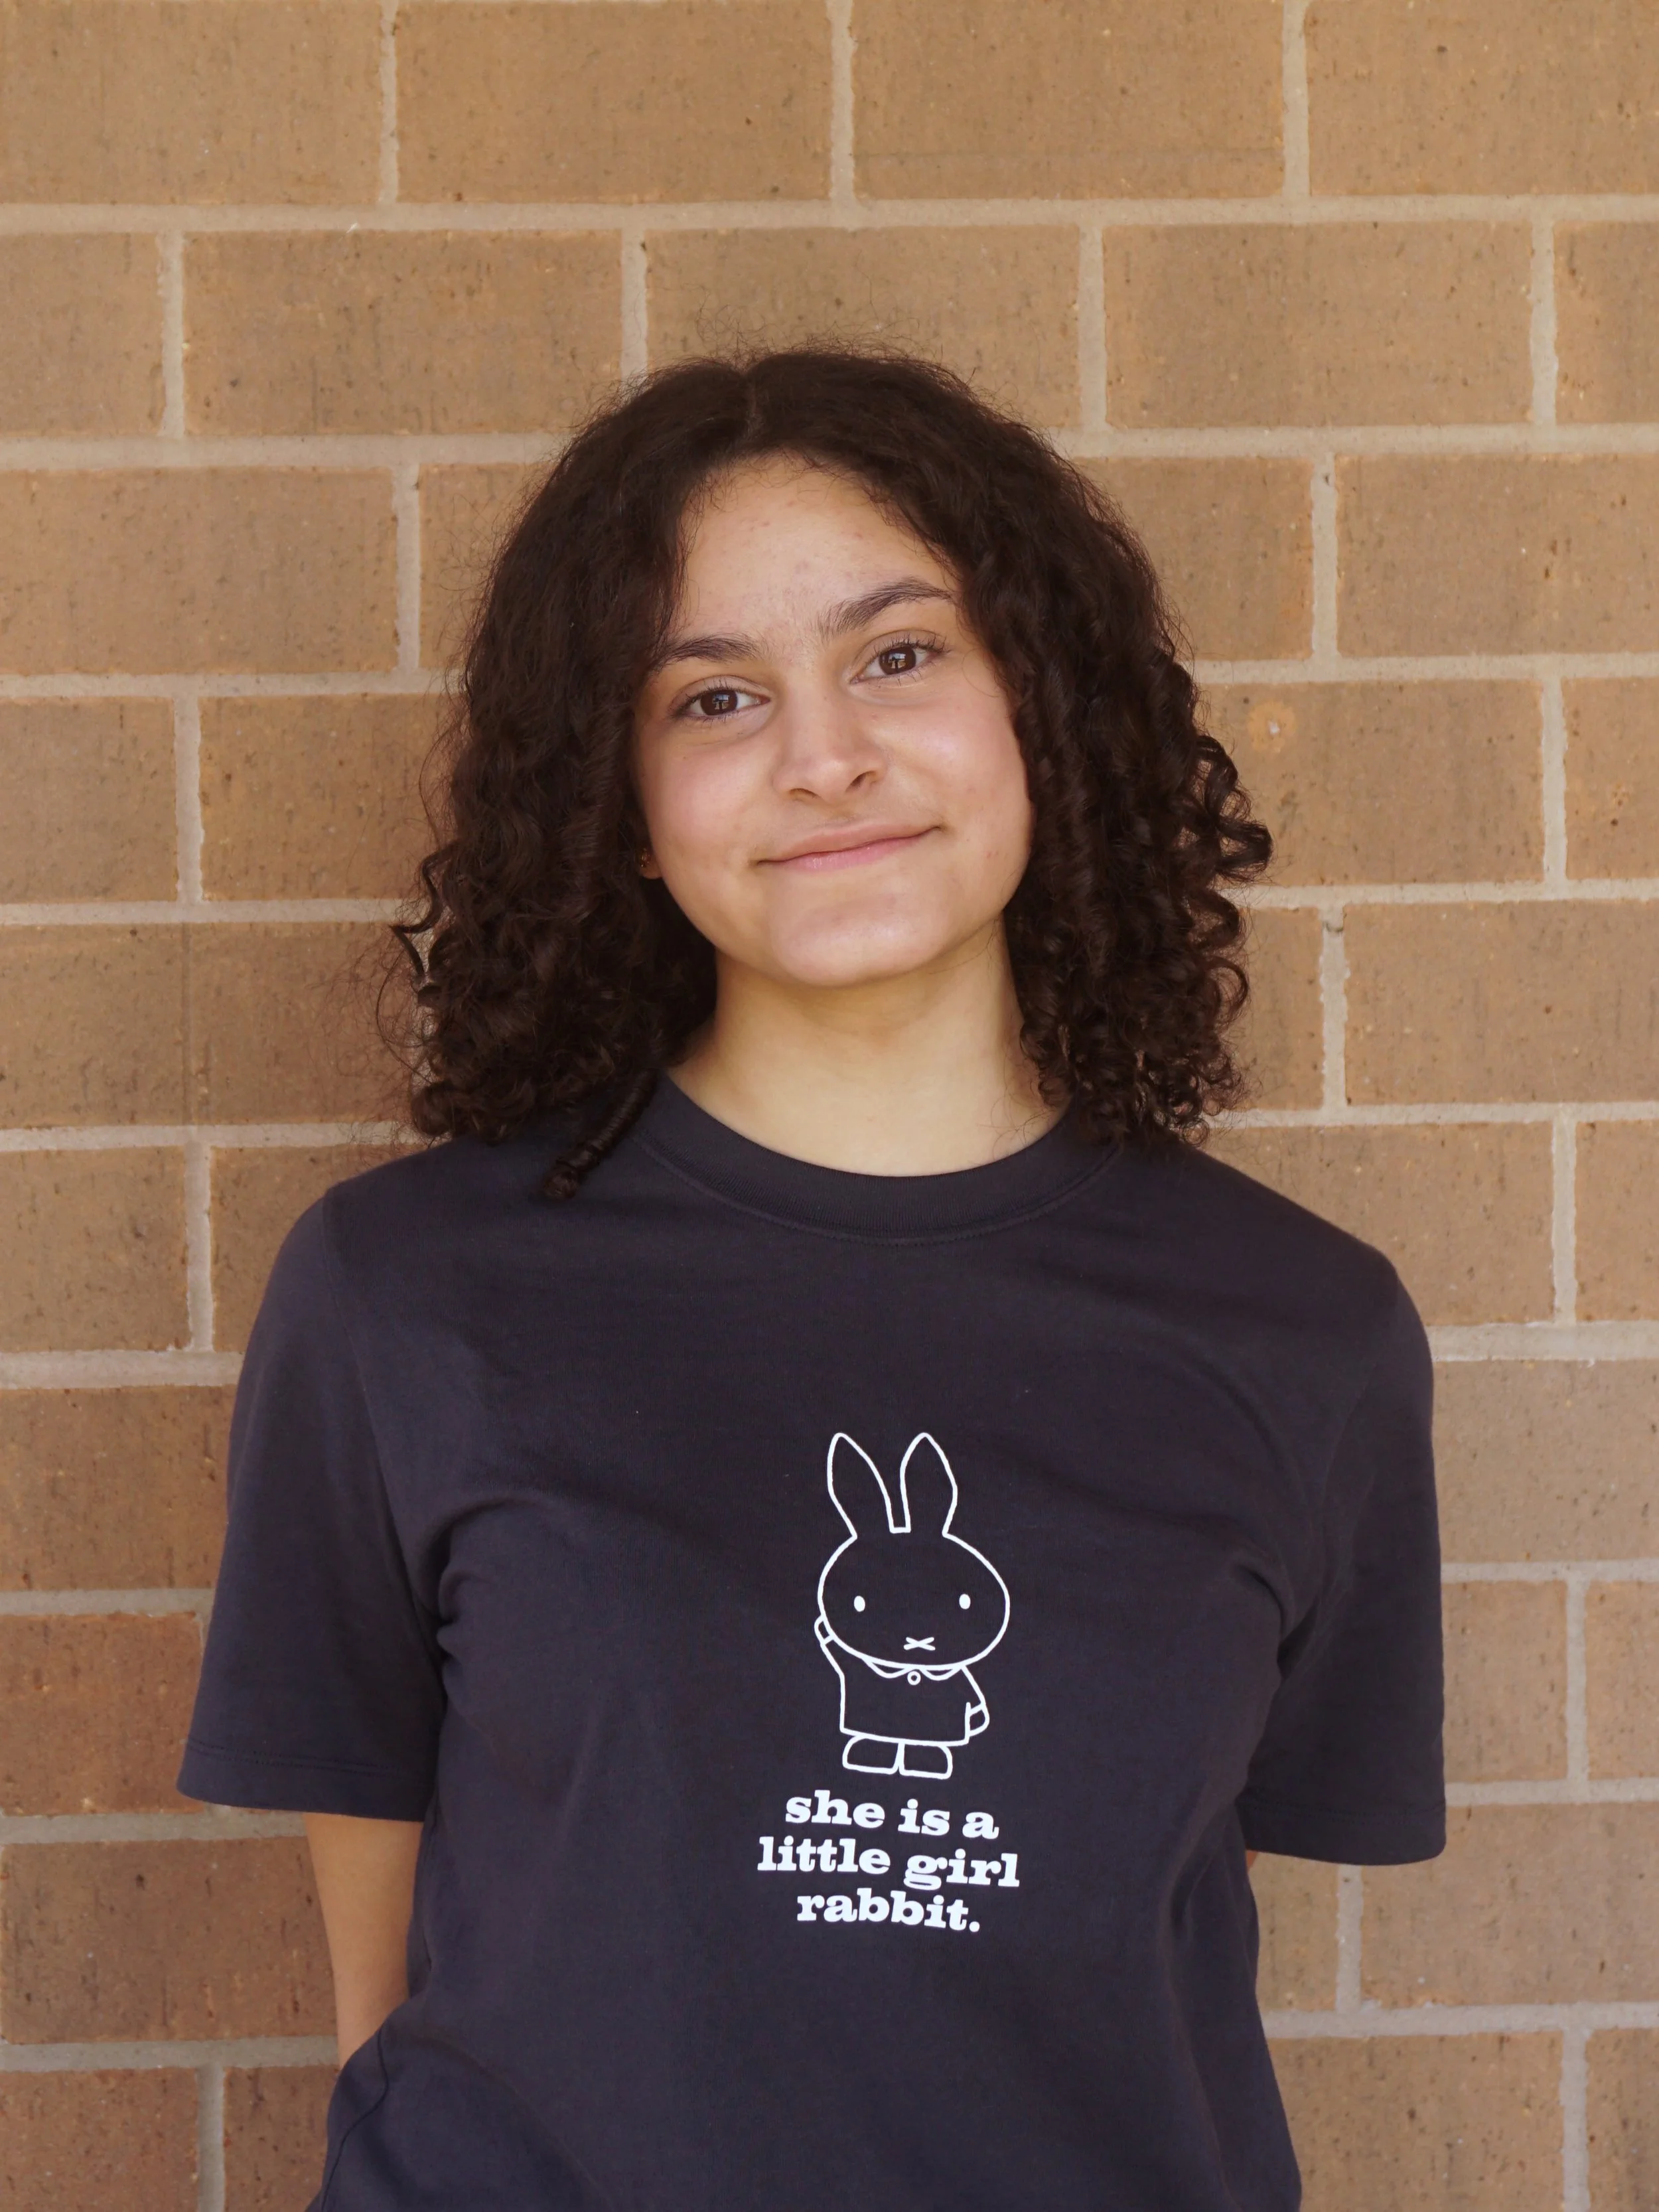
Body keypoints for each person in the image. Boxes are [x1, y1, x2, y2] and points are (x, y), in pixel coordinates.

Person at [179, 348, 1444, 2212]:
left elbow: (1148, 1898)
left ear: (1045, 707)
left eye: (899, 654)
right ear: (622, 799)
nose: (823, 753)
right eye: (713, 694)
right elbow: (380, 1931)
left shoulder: (1303, 1328)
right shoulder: (406, 1292)